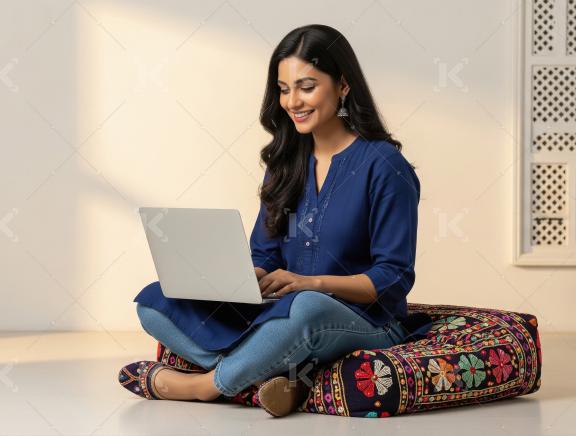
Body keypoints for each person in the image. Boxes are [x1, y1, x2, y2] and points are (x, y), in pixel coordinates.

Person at [118, 23, 428, 417]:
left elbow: (393, 277)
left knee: (307, 308)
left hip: (364, 320)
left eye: (306, 87)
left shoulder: (385, 166)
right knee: (155, 300)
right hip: (279, 311)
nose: (292, 101)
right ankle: (272, 375)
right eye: (283, 89)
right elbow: (264, 253)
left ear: (343, 85)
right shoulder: (285, 163)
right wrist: (233, 281)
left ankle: (207, 386)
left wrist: (313, 283)